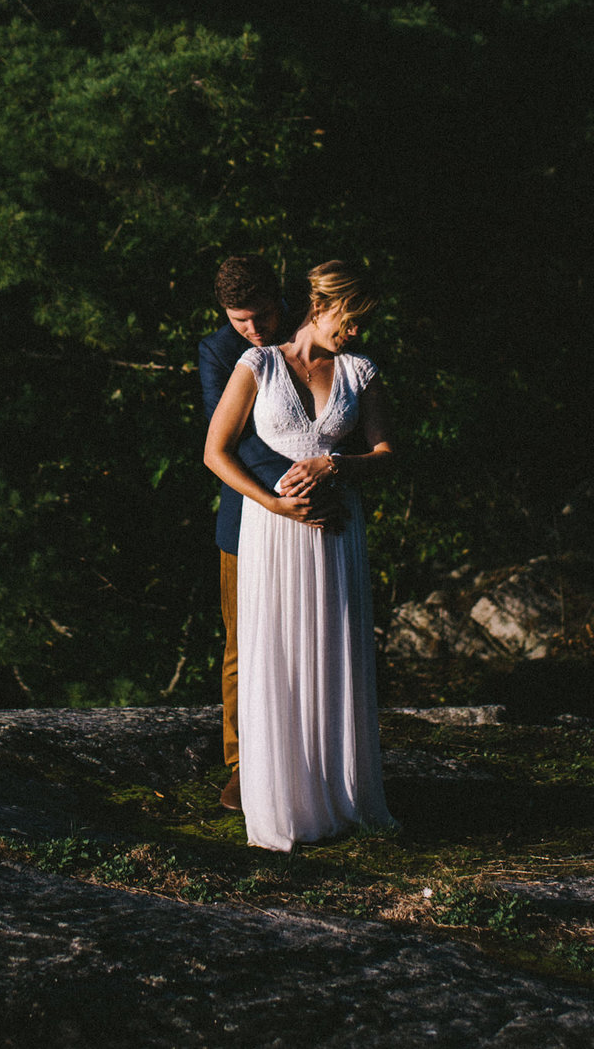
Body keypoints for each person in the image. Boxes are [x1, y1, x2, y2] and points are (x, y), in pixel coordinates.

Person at [201, 259, 394, 850]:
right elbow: (216, 450)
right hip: (271, 528)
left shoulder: (360, 370)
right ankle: (275, 792)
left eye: (363, 322)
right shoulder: (251, 362)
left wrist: (337, 465)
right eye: (350, 319)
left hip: (337, 530)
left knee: (336, 651)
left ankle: (339, 792)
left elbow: (388, 452)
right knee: (269, 651)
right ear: (322, 306)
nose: (356, 331)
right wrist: (277, 502)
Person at [196, 258, 301, 811]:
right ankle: (241, 765)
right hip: (246, 513)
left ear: (279, 299)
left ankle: (309, 759)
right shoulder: (218, 351)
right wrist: (285, 491)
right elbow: (226, 434)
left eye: (261, 317)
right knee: (242, 645)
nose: (255, 332)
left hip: (318, 507)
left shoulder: (313, 332)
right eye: (241, 322)